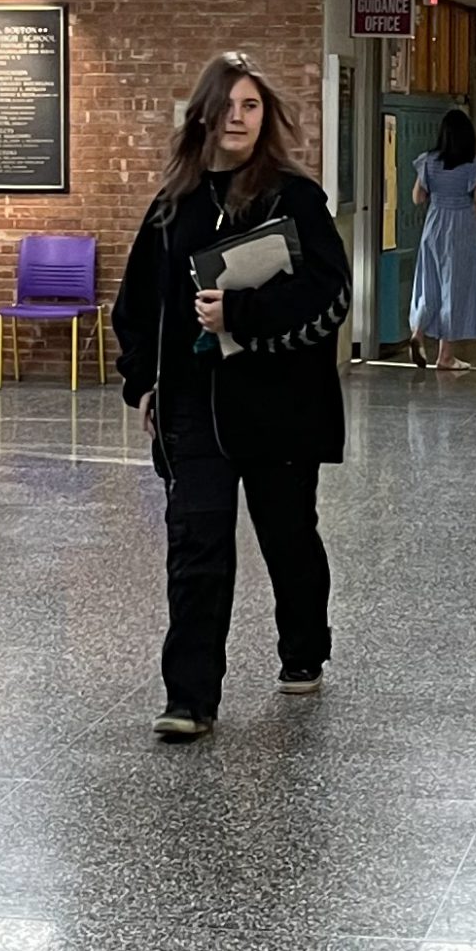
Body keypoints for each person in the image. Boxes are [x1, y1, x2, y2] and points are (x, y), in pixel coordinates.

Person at [110, 51, 350, 741]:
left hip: (280, 404)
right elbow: (137, 304)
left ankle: (303, 648)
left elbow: (328, 291)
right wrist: (143, 380)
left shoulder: (293, 198)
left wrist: (239, 315)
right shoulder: (171, 206)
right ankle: (190, 697)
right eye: (227, 106)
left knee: (288, 538)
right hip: (194, 406)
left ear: (265, 117)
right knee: (197, 546)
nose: (237, 118)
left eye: (251, 106)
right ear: (203, 116)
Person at [407, 109, 476, 372]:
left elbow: (417, 198)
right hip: (461, 230)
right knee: (454, 289)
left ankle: (418, 333)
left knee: (428, 283)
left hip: (434, 226)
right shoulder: (474, 166)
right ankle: (445, 356)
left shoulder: (428, 161)